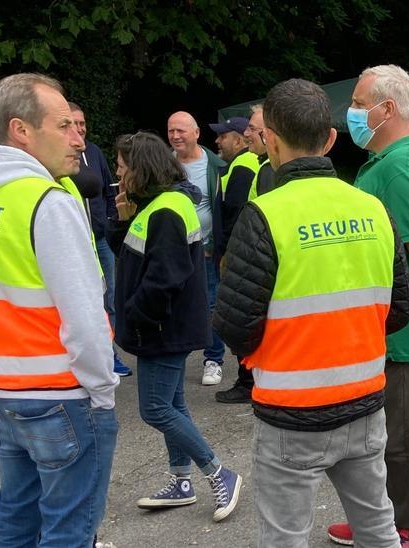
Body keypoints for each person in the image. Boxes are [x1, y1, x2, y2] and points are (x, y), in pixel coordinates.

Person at [213, 78, 409, 548]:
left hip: (290, 415)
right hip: (364, 406)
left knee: (285, 538)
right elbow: (399, 310)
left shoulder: (263, 215)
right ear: (329, 139)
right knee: (379, 530)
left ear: (272, 142)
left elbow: (233, 323)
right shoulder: (374, 210)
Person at [0, 73, 119, 547]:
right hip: (60, 392)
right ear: (22, 130)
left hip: (0, 388)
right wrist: (103, 390)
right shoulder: (48, 201)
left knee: (16, 519)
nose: (78, 138)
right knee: (69, 529)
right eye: (64, 125)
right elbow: (84, 315)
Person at [326, 64, 409, 548]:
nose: (352, 114)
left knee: (401, 439)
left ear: (387, 109)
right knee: (380, 435)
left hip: (405, 327)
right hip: (386, 324)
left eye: (359, 105)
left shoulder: (402, 165)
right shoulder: (392, 160)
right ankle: (377, 520)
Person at [109, 131, 242, 523]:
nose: (118, 175)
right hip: (162, 328)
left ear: (140, 169)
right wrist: (122, 218)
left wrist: (134, 317)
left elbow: (165, 279)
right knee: (172, 405)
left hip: (162, 330)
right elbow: (131, 255)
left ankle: (220, 473)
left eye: (121, 167)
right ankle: (181, 481)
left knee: (154, 409)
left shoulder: (166, 211)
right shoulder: (157, 206)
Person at [69, 102, 133, 378]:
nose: (80, 128)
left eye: (83, 123)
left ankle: (112, 355)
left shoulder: (93, 151)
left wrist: (110, 221)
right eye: (73, 123)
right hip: (76, 242)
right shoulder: (56, 157)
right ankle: (95, 358)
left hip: (101, 238)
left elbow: (109, 188)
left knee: (110, 299)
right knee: (86, 299)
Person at [167, 111, 229, 387]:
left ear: (195, 133)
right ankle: (175, 358)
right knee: (174, 304)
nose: (176, 136)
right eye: (171, 131)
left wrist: (216, 245)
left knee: (211, 305)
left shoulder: (216, 165)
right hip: (173, 250)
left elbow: (223, 209)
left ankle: (213, 360)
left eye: (181, 130)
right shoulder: (163, 164)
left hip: (205, 250)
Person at [211, 115, 265, 404]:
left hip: (236, 256)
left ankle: (247, 382)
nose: (218, 140)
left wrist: (227, 255)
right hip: (235, 253)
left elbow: (236, 216)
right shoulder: (238, 165)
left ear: (239, 140)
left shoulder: (243, 166)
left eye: (223, 135)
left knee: (241, 315)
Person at [245, 104, 276, 195]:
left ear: (267, 133)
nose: (246, 133)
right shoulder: (270, 163)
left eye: (252, 129)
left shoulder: (270, 169)